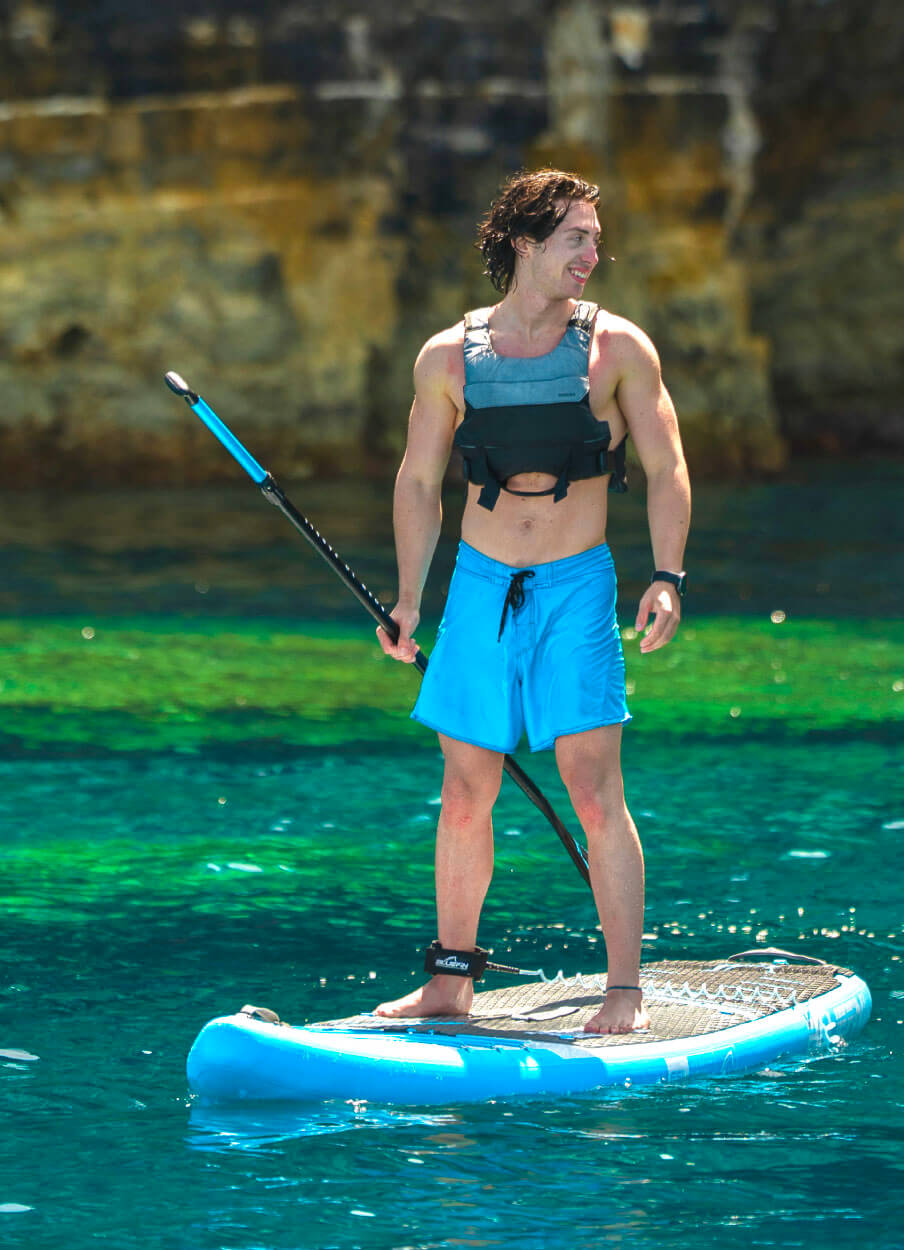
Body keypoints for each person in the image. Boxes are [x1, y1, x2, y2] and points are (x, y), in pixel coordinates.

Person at [375, 168, 690, 1034]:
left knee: (593, 788)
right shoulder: (446, 357)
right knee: (465, 789)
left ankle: (623, 988)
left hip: (577, 589)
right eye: (575, 238)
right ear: (523, 241)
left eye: (595, 237)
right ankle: (449, 981)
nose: (593, 253)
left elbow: (667, 468)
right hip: (478, 588)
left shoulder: (617, 348)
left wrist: (667, 576)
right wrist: (408, 599)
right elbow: (418, 482)